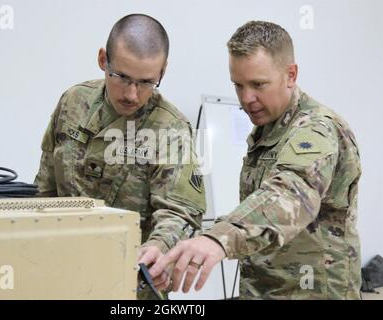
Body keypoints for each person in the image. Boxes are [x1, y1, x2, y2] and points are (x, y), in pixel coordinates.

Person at [149, 20, 362, 300]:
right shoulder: (268, 128)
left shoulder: (316, 129)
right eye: (238, 85)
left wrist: (218, 238)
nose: (246, 98)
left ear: (290, 74)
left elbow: (289, 193)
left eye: (258, 84)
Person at [33, 14, 206, 299]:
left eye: (146, 82)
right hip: (61, 276)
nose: (131, 94)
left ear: (162, 72)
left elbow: (180, 212)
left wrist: (158, 248)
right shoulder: (73, 102)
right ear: (104, 59)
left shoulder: (170, 129)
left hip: (128, 287)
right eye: (122, 77)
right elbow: (45, 188)